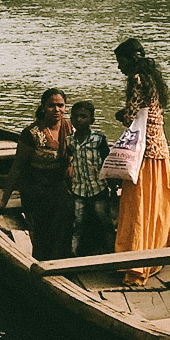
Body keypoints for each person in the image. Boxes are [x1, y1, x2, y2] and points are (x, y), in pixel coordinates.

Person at [111, 37, 170, 285]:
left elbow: (131, 114)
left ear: (131, 60)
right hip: (159, 148)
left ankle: (136, 263)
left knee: (138, 207)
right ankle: (154, 254)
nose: (119, 67)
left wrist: (121, 115)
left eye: (121, 62)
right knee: (154, 205)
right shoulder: (153, 79)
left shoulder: (136, 79)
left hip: (143, 153)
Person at [0, 89, 73, 260]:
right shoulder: (31, 133)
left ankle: (63, 259)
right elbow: (17, 167)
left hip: (59, 183)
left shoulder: (69, 127)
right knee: (50, 212)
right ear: (43, 107)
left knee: (68, 209)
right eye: (51, 106)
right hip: (35, 186)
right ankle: (45, 260)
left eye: (60, 106)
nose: (56, 110)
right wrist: (4, 200)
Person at [67, 100, 113, 256]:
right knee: (76, 224)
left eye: (83, 117)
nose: (79, 120)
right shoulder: (70, 141)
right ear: (71, 119)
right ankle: (73, 256)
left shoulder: (99, 140)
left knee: (105, 223)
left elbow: (107, 163)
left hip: (98, 188)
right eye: (76, 117)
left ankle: (112, 254)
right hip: (78, 190)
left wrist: (112, 186)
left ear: (91, 120)